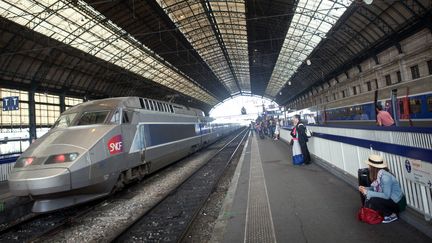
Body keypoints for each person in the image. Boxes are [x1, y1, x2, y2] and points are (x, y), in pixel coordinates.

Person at [358, 154, 406, 223]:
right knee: (372, 199)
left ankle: (392, 215)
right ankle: (387, 212)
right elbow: (376, 189)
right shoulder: (380, 174)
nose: (368, 167)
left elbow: (386, 196)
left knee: (373, 200)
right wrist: (366, 189)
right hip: (393, 200)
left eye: (369, 165)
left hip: (398, 203)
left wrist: (367, 192)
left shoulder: (385, 177)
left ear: (373, 167)